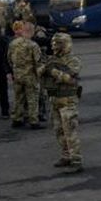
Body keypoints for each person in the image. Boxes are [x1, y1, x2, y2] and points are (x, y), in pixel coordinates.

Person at [42, 32, 83, 171]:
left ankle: (76, 160)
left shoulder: (73, 61)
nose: (54, 46)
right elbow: (39, 73)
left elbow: (70, 79)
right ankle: (66, 156)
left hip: (68, 100)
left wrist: (53, 71)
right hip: (55, 99)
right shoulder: (51, 59)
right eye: (53, 43)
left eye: (58, 44)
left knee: (69, 131)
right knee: (59, 131)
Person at [8, 21, 44, 129]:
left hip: (18, 75)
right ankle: (33, 120)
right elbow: (38, 61)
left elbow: (9, 59)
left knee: (18, 97)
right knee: (32, 98)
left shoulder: (13, 43)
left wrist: (14, 69)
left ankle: (17, 119)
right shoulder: (33, 45)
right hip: (30, 75)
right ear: (31, 32)